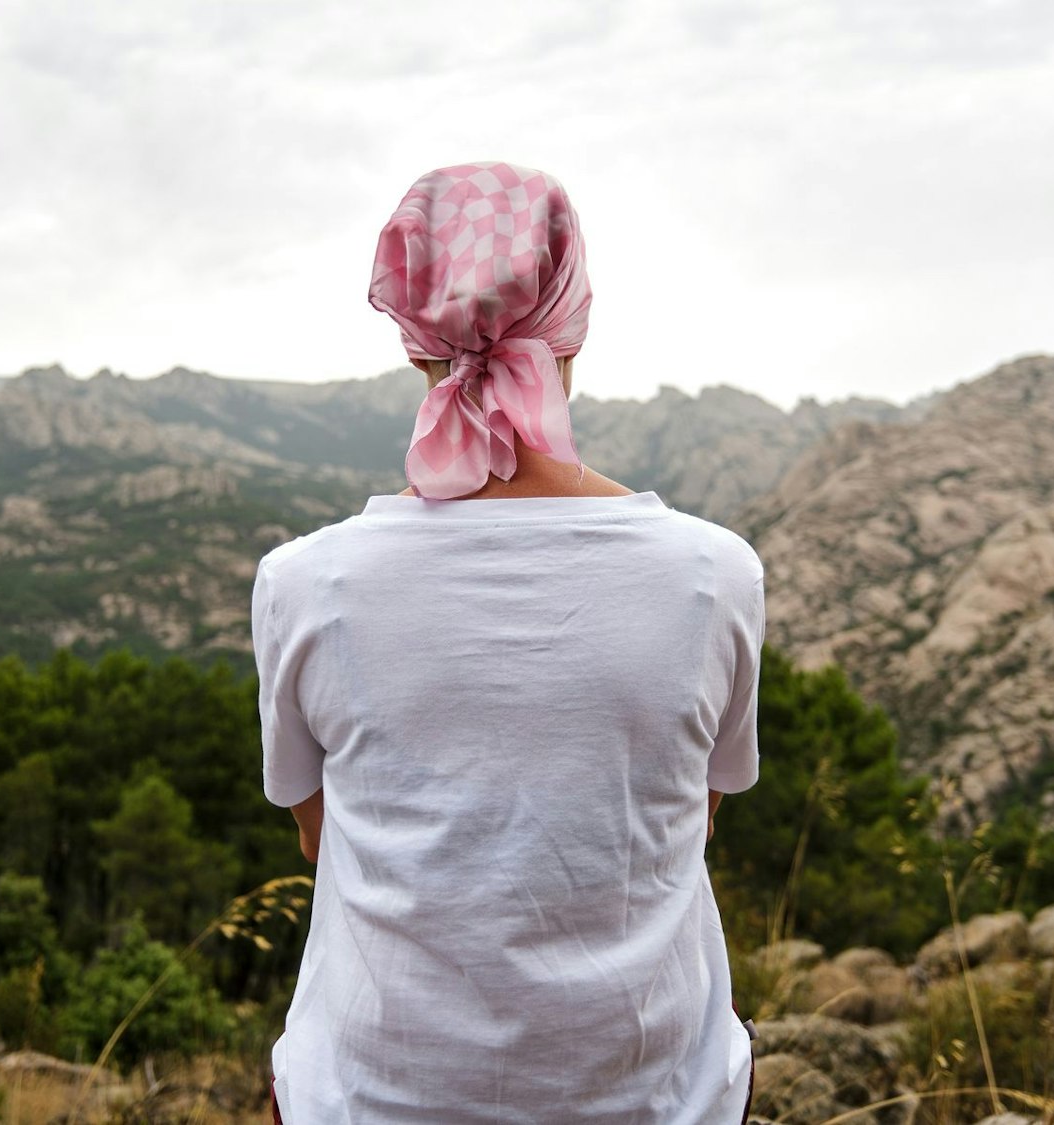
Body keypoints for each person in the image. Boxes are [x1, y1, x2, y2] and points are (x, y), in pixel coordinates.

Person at [251, 161, 766, 1123]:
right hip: (656, 1099)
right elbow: (682, 828)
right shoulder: (715, 573)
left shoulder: (305, 583)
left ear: (413, 341)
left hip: (370, 1098)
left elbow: (330, 844)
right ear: (575, 320)